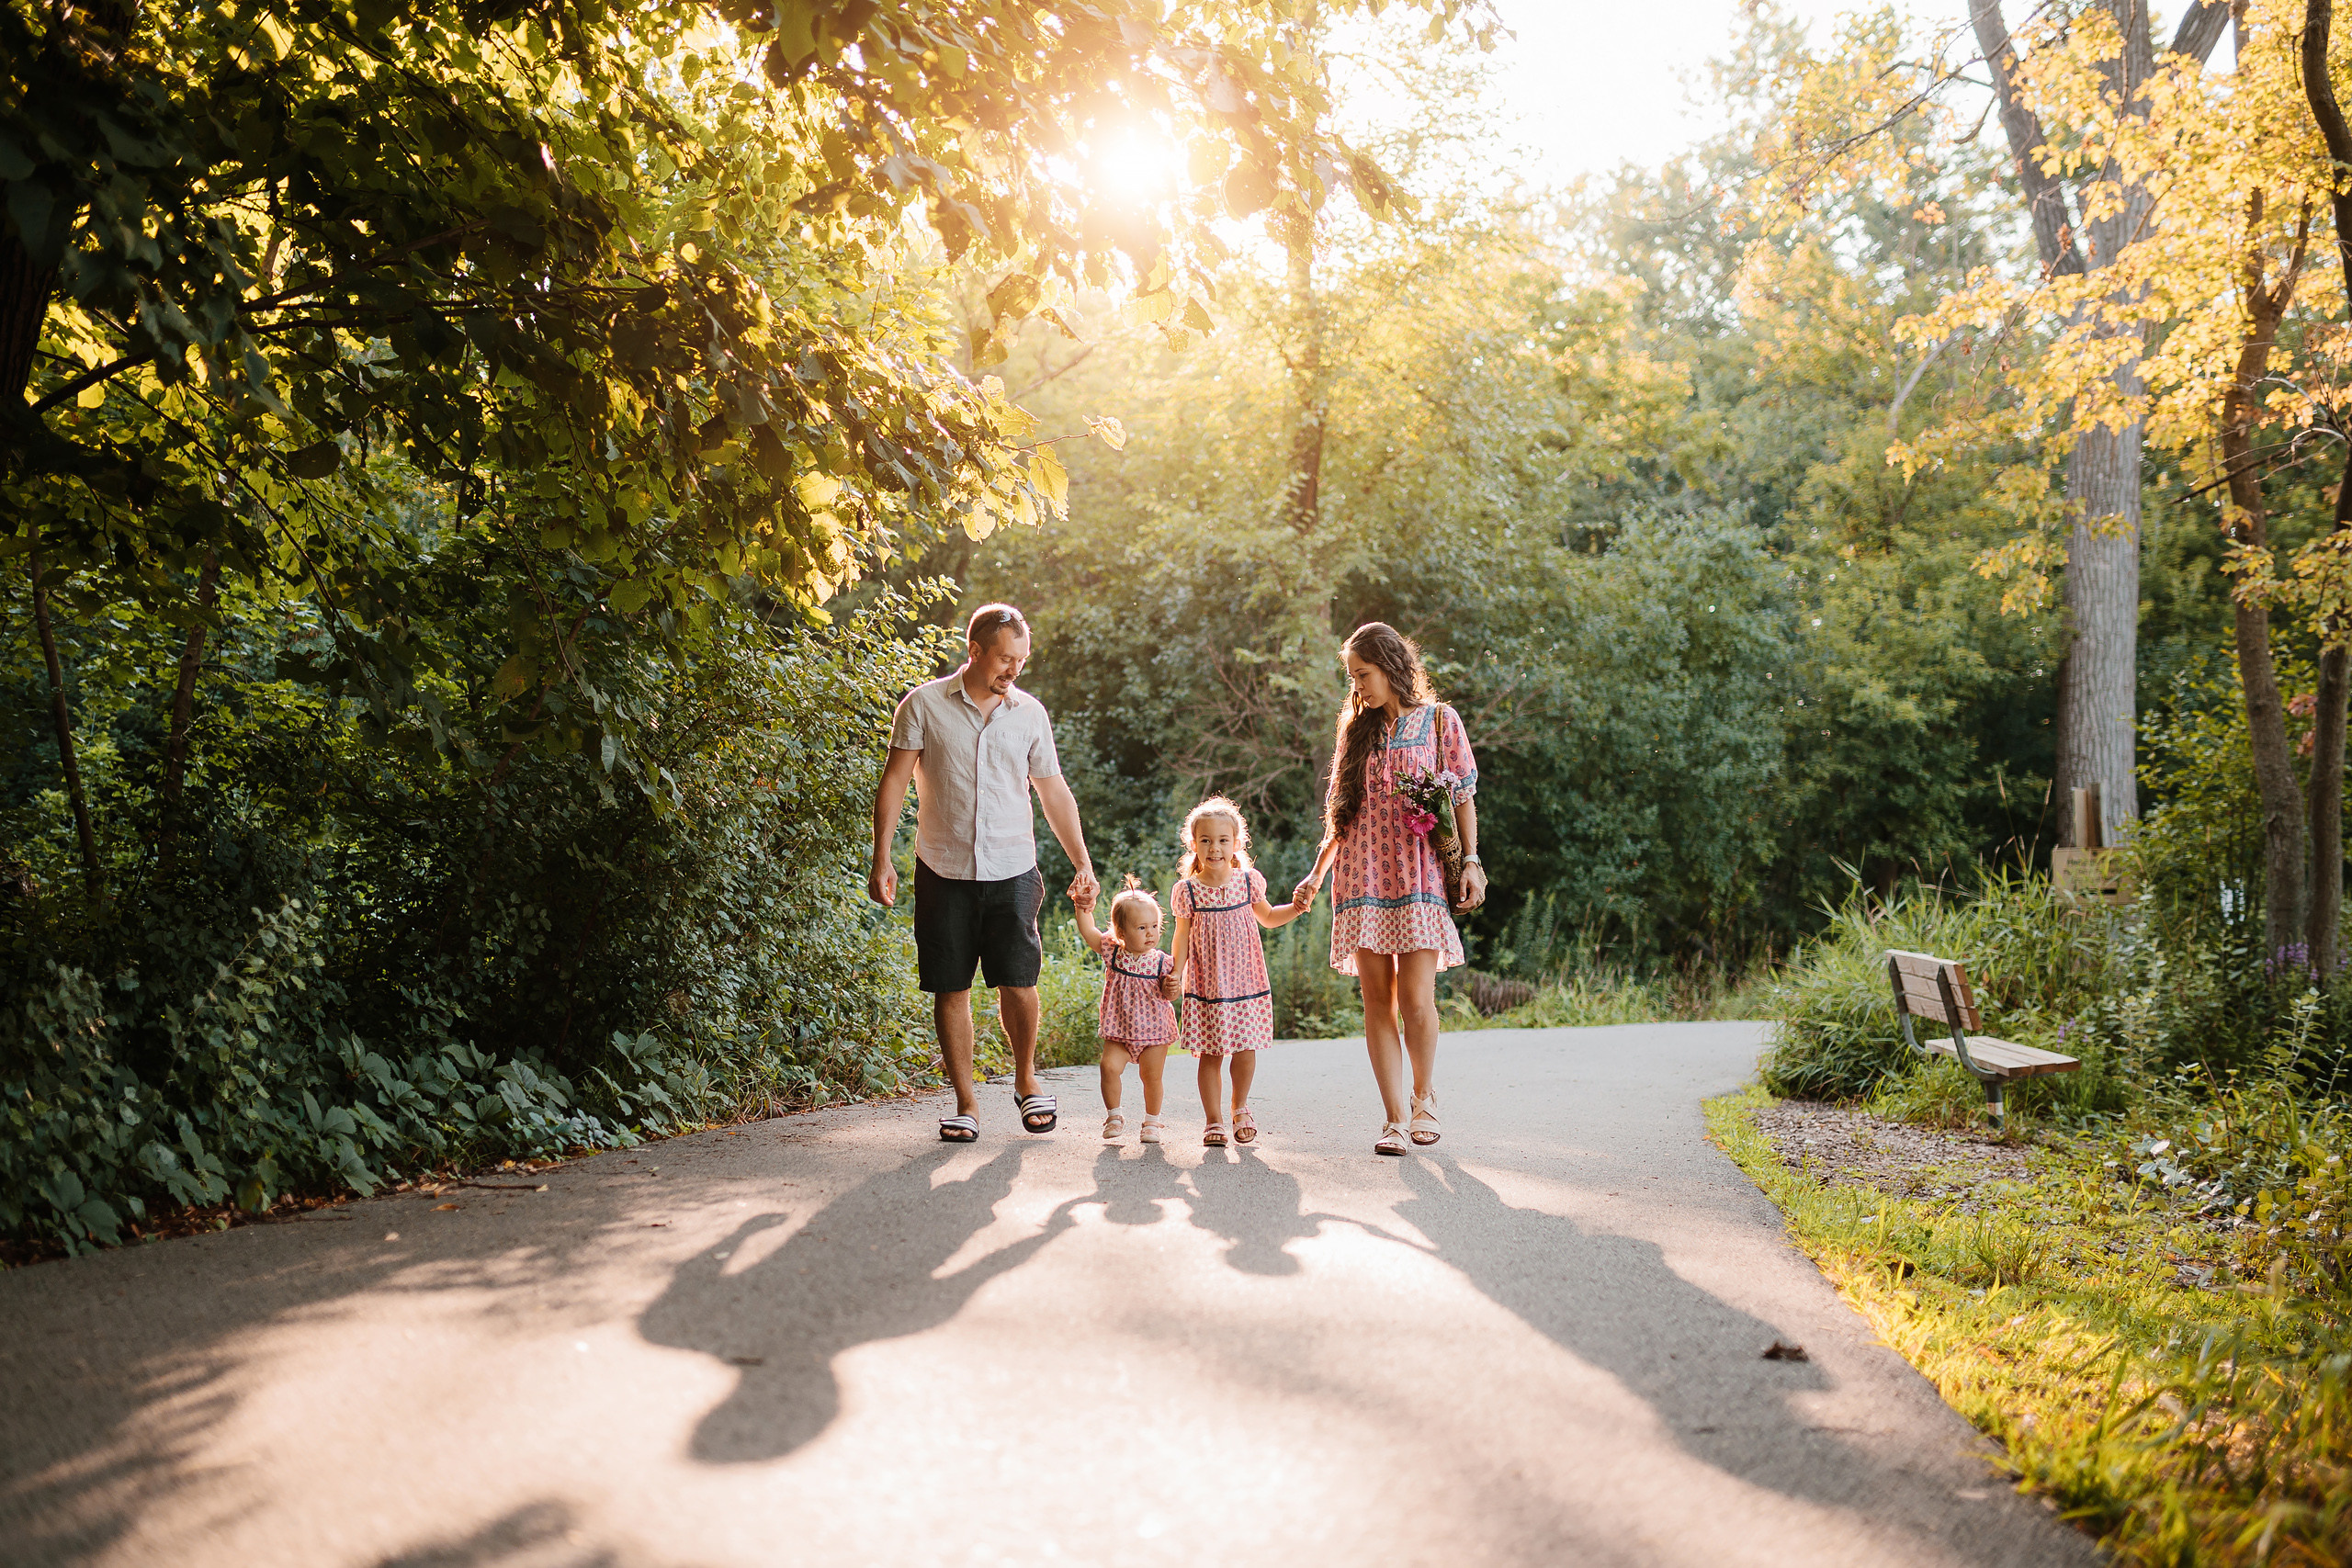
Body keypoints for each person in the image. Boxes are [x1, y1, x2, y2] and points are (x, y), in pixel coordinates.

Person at [869, 604, 1099, 1143]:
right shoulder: (922, 705)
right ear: (973, 652)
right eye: (1003, 659)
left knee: (1019, 982)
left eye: (1020, 660)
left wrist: (1082, 860)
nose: (1012, 670)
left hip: (1013, 868)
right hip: (942, 868)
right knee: (950, 987)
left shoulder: (1030, 713)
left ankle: (1026, 1080)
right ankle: (966, 1103)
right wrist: (882, 854)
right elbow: (895, 782)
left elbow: (1053, 791)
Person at [1295, 623, 1486, 1156]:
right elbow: (1341, 815)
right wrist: (1316, 872)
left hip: (1420, 875)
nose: (1358, 686)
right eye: (1352, 677)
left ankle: (1426, 1100)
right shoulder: (1356, 732)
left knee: (1417, 999)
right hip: (1361, 877)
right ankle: (1394, 1118)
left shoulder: (1441, 722)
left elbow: (1464, 797)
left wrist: (1471, 861)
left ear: (1391, 665)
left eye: (1364, 674)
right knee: (1377, 1002)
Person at [1170, 796, 1310, 1147]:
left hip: (1246, 982)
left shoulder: (1248, 882)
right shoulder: (1187, 891)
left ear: (1236, 843)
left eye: (1222, 840)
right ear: (1194, 844)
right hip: (1207, 985)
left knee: (1246, 1050)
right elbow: (1182, 937)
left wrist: (1296, 907)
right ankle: (1213, 1120)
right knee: (1211, 1054)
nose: (1214, 848)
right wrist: (1176, 974)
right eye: (1205, 840)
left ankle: (1240, 1106)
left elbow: (1270, 918)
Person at [1071, 877, 1179, 1143]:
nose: (1151, 933)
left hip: (1154, 1032)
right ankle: (1114, 1115)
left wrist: (1173, 987)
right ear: (1120, 932)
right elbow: (1089, 931)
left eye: (1154, 926)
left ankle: (1152, 1121)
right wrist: (1081, 906)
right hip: (1119, 1030)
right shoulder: (1113, 952)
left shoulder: (1162, 963)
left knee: (1151, 1077)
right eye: (1142, 927)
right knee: (1108, 1067)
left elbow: (1174, 995)